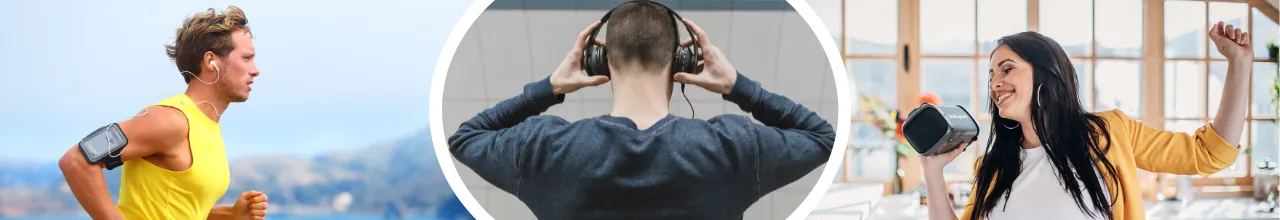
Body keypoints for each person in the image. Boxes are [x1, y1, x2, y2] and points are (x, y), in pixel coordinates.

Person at [447, 1, 835, 219]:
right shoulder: (732, 145)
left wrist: (548, 89)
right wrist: (739, 87)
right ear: (683, 62)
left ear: (599, 61)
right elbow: (821, 137)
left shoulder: (545, 148)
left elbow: (465, 138)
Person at [922, 22, 1253, 220]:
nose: (994, 83)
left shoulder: (1110, 134)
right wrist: (932, 170)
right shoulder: (992, 167)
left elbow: (1210, 153)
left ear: (1046, 74)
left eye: (1007, 69)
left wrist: (1238, 65)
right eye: (991, 75)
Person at [57, 6, 268, 220]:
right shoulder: (168, 119)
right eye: (246, 58)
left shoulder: (208, 126)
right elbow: (77, 160)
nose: (256, 70)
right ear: (211, 61)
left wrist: (230, 215)